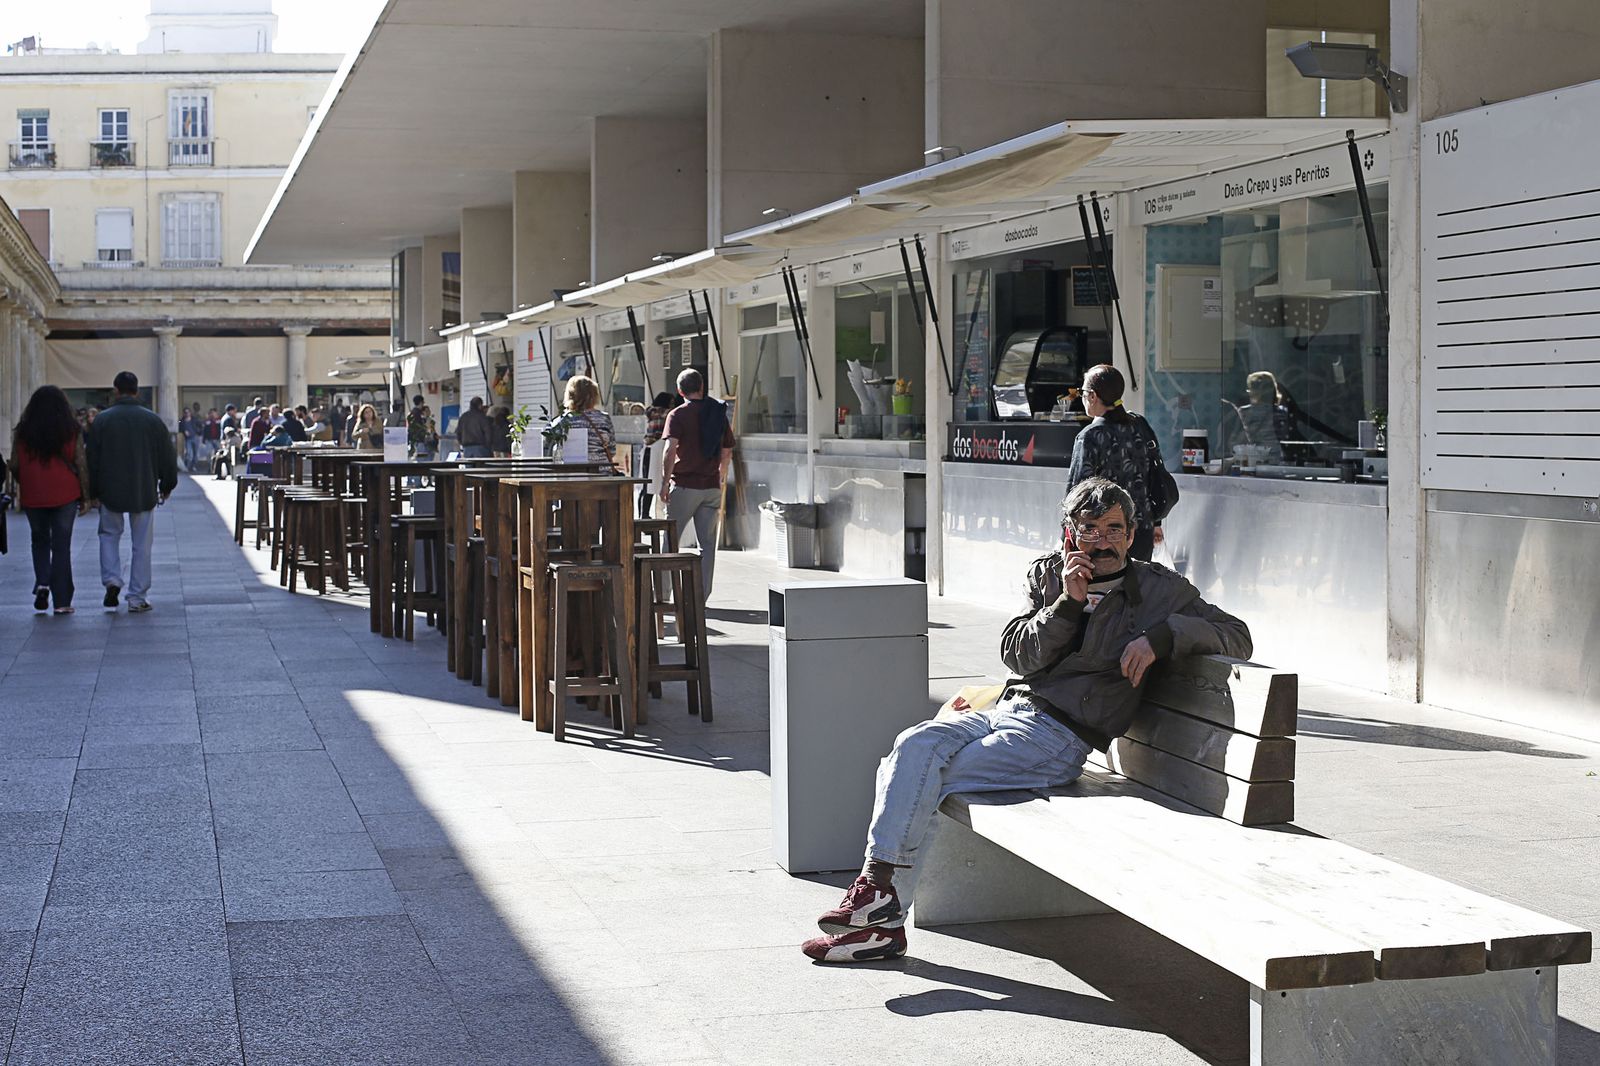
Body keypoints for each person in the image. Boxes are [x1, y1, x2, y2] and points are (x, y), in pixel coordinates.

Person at [800, 477, 1252, 963]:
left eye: (1114, 529)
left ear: (1132, 532)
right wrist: (1067, 604)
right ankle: (877, 898)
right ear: (1070, 533)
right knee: (911, 747)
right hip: (1008, 708)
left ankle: (880, 917)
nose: (1103, 541)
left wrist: (1163, 637)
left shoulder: (1161, 591)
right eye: (1090, 528)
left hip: (1059, 738)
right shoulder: (1052, 577)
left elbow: (1237, 636)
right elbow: (1018, 656)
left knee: (925, 779)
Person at [86, 371, 178, 614]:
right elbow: (167, 457)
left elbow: (91, 460)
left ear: (116, 391)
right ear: (136, 391)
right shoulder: (152, 420)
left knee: (108, 535)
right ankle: (137, 596)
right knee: (142, 544)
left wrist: (92, 491)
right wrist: (166, 485)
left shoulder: (102, 421)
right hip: (143, 488)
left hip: (109, 489)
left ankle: (112, 580)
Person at [7, 385, 92, 614]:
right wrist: (86, 496)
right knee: (62, 546)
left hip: (34, 494)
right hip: (65, 492)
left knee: (39, 540)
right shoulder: (71, 429)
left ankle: (43, 582)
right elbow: (80, 463)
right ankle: (62, 600)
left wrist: (26, 481)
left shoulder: (23, 431)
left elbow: (14, 464)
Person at [1065, 364, 1159, 561]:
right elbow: (1153, 475)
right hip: (1141, 530)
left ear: (1092, 396)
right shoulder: (1139, 426)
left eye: (1082, 392)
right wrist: (1157, 522)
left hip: (1104, 537)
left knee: (1103, 590)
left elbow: (1077, 492)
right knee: (1138, 588)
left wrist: (1067, 536)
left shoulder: (1090, 436)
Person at [660, 368, 733, 598]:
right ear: (702, 387)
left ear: (680, 390)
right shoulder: (717, 412)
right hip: (710, 487)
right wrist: (720, 477)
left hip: (684, 486)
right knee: (708, 546)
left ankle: (663, 594)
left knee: (670, 543)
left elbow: (670, 450)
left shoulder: (677, 415)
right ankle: (700, 597)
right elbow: (727, 450)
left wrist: (664, 484)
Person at [560, 375, 616, 467]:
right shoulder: (604, 419)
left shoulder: (564, 420)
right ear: (594, 395)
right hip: (602, 475)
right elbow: (612, 451)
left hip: (572, 474)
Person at [638, 390, 676, 518]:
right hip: (657, 450)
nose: (672, 405)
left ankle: (643, 515)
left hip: (648, 450)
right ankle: (649, 515)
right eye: (670, 403)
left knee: (646, 486)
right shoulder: (665, 414)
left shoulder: (651, 412)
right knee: (655, 484)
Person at [179, 406, 202, 472]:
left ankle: (193, 466)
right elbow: (179, 426)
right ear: (184, 413)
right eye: (185, 412)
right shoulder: (181, 420)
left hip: (195, 438)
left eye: (188, 412)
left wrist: (198, 433)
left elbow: (201, 425)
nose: (187, 414)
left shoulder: (194, 419)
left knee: (196, 454)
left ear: (190, 413)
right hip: (188, 439)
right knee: (189, 453)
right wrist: (184, 431)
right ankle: (187, 467)